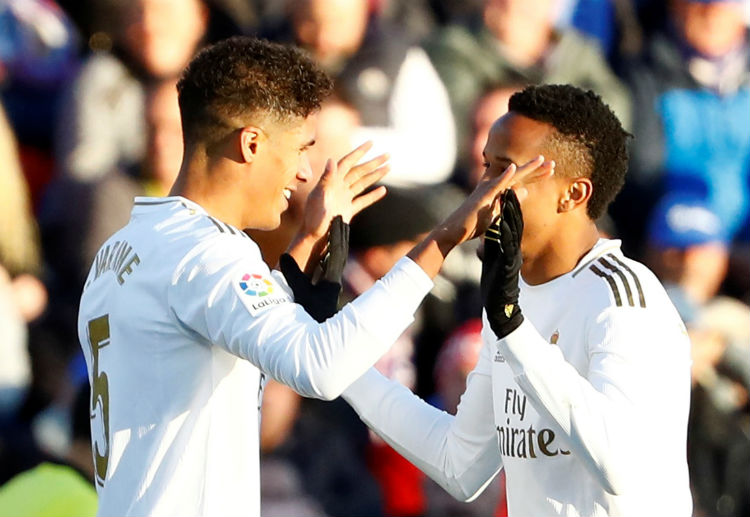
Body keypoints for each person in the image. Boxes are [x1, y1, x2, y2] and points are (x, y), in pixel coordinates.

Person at [76, 36, 551, 516]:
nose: (304, 172)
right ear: (251, 144)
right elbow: (319, 368)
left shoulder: (124, 249)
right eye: (301, 148)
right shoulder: (208, 255)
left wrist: (306, 243)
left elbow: (228, 338)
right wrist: (444, 239)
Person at [342, 84, 693, 516]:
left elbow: (622, 466)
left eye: (506, 173)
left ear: (574, 194)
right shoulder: (511, 301)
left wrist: (513, 329)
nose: (482, 192)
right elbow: (461, 464)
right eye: (486, 167)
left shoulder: (623, 299)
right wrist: (343, 365)